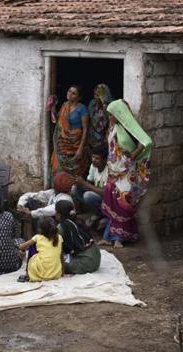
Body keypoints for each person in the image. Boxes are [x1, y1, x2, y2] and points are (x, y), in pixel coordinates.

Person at [100, 99, 153, 249]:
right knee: (111, 202)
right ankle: (107, 236)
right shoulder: (112, 127)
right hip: (113, 171)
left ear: (119, 114)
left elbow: (146, 142)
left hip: (126, 172)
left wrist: (133, 156)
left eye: (112, 115)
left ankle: (119, 238)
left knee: (122, 203)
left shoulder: (130, 127)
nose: (110, 118)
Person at [50, 85, 90, 179]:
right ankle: (59, 188)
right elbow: (59, 121)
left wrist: (80, 148)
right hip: (62, 144)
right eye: (69, 91)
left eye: (73, 93)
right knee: (58, 168)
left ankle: (72, 190)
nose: (70, 94)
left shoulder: (82, 109)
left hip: (75, 145)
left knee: (74, 172)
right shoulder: (64, 105)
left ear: (79, 97)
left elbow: (85, 129)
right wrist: (52, 109)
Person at [55, 201, 101, 275]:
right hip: (97, 258)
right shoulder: (79, 221)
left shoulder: (61, 227)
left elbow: (55, 246)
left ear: (58, 215)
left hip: (86, 264)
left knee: (54, 266)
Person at [18, 217, 63, 282]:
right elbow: (61, 256)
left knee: (31, 246)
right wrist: (62, 272)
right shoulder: (59, 237)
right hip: (55, 273)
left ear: (41, 229)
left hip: (40, 272)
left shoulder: (37, 237)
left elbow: (21, 247)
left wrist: (19, 247)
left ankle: (28, 272)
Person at [72, 148, 108, 215]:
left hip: (106, 199)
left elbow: (104, 193)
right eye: (93, 157)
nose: (93, 160)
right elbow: (89, 183)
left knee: (88, 196)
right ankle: (87, 210)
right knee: (75, 188)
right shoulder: (93, 166)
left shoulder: (109, 170)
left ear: (105, 160)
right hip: (97, 194)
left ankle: (101, 214)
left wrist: (84, 183)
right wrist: (79, 182)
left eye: (97, 158)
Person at [88, 84, 112, 152]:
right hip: (91, 138)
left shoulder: (111, 106)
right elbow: (88, 120)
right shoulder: (92, 103)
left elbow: (111, 122)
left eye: (98, 95)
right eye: (95, 94)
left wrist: (104, 105)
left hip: (104, 139)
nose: (96, 97)